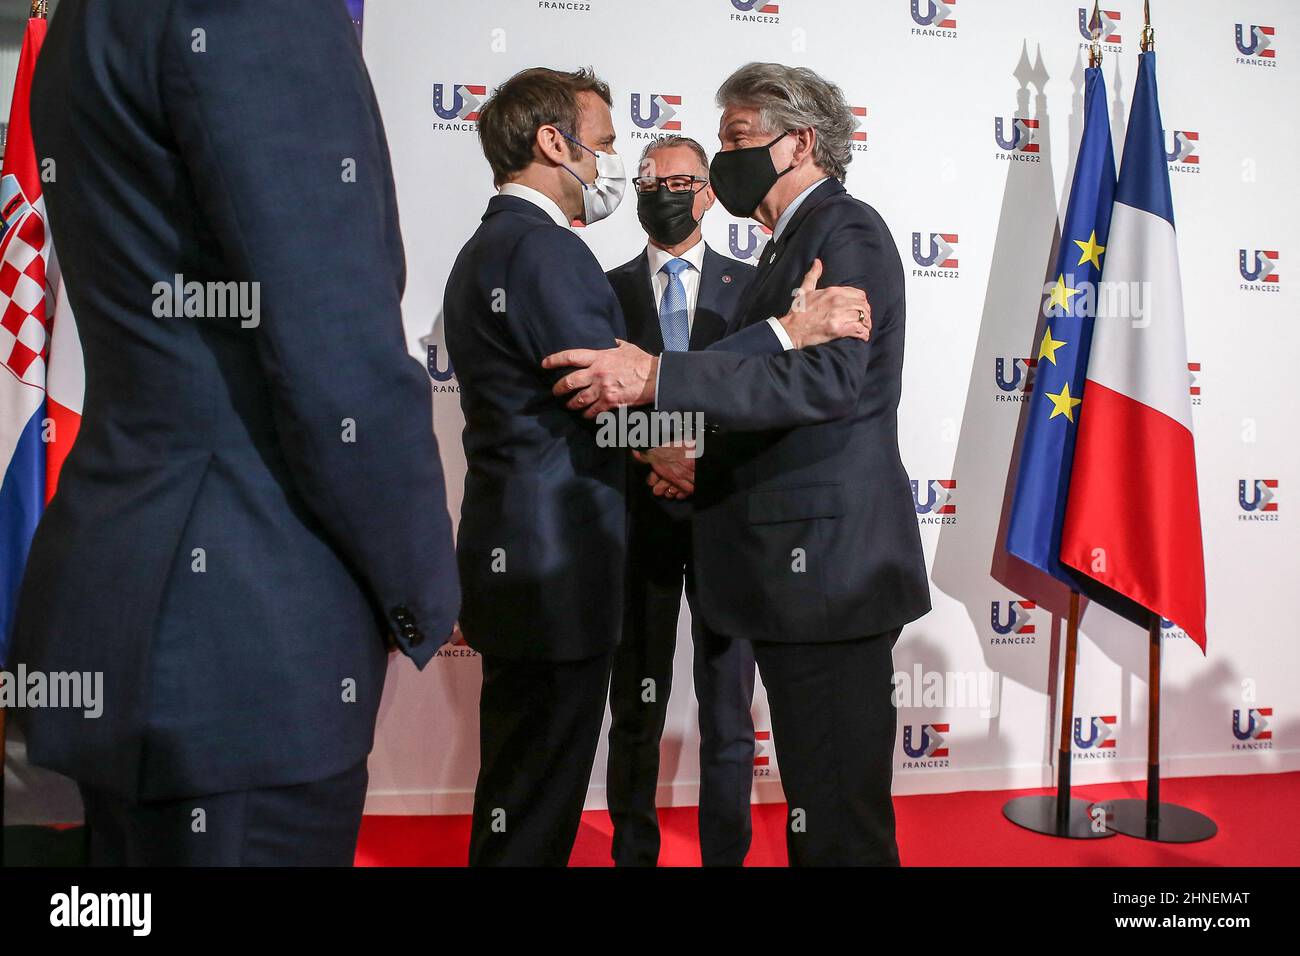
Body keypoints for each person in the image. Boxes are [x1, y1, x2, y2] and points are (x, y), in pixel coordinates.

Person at [11, 0, 460, 866]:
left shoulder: (85, 16)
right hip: (245, 640)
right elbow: (338, 359)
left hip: (136, 595)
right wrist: (425, 582)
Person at [543, 62, 931, 866]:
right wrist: (684, 450)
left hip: (830, 574)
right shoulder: (789, 251)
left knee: (837, 818)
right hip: (776, 566)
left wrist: (658, 377)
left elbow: (824, 379)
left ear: (804, 143)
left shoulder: (843, 232)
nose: (725, 161)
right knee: (821, 806)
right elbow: (764, 392)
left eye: (738, 139)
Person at [605, 134, 757, 867]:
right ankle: (633, 851)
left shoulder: (753, 288)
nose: (658, 192)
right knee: (635, 709)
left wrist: (703, 462)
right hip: (637, 525)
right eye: (646, 179)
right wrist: (658, 452)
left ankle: (724, 854)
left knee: (728, 716)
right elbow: (592, 399)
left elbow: (764, 398)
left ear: (705, 191)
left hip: (727, 523)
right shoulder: (603, 289)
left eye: (674, 181)